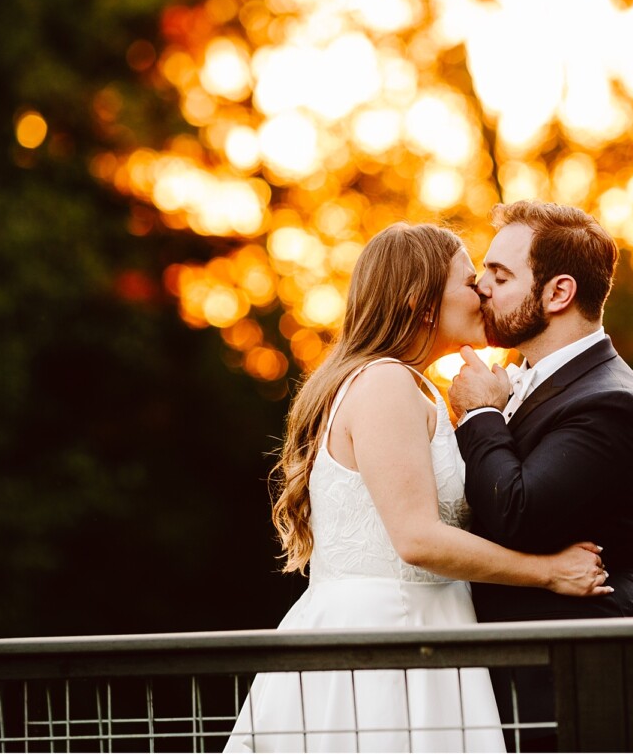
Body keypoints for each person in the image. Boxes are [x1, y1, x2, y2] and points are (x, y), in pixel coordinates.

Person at [225, 222, 612, 753]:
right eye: (469, 279)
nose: (481, 292)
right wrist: (547, 572)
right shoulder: (385, 384)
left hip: (426, 632)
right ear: (422, 303)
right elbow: (417, 539)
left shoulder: (415, 387)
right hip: (384, 643)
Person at [449, 200, 633, 752]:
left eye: (500, 276)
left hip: (572, 678)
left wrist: (479, 417)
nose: (482, 289)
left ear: (559, 293)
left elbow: (519, 512)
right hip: (519, 669)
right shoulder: (528, 380)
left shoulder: (608, 401)